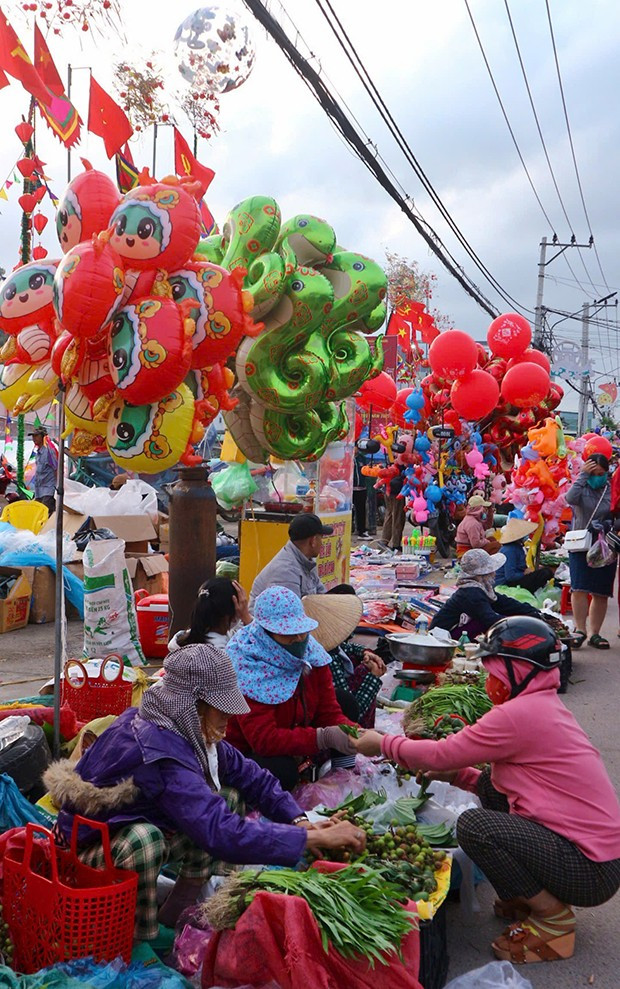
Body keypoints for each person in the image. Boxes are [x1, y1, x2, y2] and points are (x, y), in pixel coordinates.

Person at [44, 644, 366, 944]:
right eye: (221, 712)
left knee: (227, 797)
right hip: (80, 854)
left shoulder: (181, 727)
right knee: (145, 841)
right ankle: (137, 938)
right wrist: (312, 840)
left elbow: (249, 774)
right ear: (192, 706)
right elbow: (221, 832)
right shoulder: (160, 751)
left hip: (125, 829)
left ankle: (177, 912)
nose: (227, 723)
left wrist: (301, 821)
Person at [354, 617, 620, 965]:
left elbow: (441, 751)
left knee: (475, 827)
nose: (490, 680)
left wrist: (384, 743)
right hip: (595, 859)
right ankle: (533, 898)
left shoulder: (519, 714)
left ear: (519, 670)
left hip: (589, 871)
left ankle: (554, 920)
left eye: (495, 670)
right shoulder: (543, 705)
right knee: (493, 793)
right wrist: (454, 776)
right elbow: (493, 781)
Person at [226, 586, 359, 790]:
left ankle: (342, 777)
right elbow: (264, 740)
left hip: (294, 728)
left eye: (301, 631)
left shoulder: (311, 654)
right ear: (266, 634)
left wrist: (358, 735)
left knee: (345, 703)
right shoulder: (249, 668)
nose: (298, 639)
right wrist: (323, 737)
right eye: (288, 634)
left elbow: (329, 711)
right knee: (280, 771)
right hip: (249, 750)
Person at [303, 589, 386, 729]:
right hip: (338, 729)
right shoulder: (327, 661)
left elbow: (348, 647)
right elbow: (352, 712)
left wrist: (365, 652)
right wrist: (373, 677)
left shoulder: (331, 646)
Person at [430, 548, 541, 639]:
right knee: (486, 623)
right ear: (480, 575)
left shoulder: (480, 588)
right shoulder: (471, 593)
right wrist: (522, 625)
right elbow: (490, 619)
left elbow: (502, 602)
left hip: (455, 630)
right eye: (490, 571)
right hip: (443, 636)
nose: (494, 574)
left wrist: (532, 612)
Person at [565, 454, 614, 649]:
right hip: (581, 543)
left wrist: (609, 523)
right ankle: (580, 630)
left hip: (605, 546)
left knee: (600, 591)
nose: (597, 477)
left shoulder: (611, 489)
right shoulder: (582, 487)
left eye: (600, 474)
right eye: (593, 473)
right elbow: (570, 498)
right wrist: (583, 475)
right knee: (579, 588)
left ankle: (595, 633)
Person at [248, 513, 332, 612]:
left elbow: (322, 596)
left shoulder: (306, 560)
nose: (322, 543)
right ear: (313, 541)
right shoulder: (285, 571)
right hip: (272, 625)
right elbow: (291, 616)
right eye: (321, 538)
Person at [168, 578, 251, 652]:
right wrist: (246, 616)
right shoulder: (225, 651)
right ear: (231, 613)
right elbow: (262, 645)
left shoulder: (181, 640)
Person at [495, 517, 553, 593]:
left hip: (515, 579)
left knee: (544, 571)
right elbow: (510, 576)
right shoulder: (509, 550)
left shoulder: (517, 547)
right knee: (545, 573)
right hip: (506, 583)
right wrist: (525, 573)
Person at [30, 426, 58, 516]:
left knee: (45, 515)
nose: (34, 438)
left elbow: (56, 469)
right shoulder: (38, 452)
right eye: (33, 436)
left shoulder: (49, 452)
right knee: (36, 515)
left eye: (36, 436)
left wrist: (57, 489)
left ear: (43, 437)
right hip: (39, 490)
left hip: (48, 490)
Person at [381, 466, 406, 551]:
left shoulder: (390, 458)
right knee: (397, 517)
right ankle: (396, 544)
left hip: (388, 489)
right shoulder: (402, 457)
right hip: (396, 491)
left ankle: (384, 541)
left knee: (390, 515)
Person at [352, 448, 369, 537]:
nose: (355, 449)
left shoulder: (362, 458)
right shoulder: (347, 457)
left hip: (362, 488)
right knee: (350, 509)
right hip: (350, 489)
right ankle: (350, 528)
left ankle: (361, 530)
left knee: (361, 510)